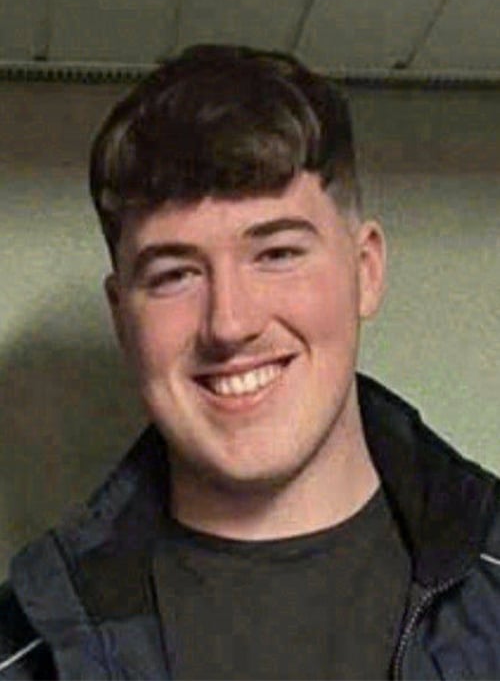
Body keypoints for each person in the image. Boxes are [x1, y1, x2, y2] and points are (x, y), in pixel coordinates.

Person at [1, 44, 499, 681]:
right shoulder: (22, 655)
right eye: (174, 274)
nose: (229, 323)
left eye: (277, 254)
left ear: (366, 271)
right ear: (122, 318)